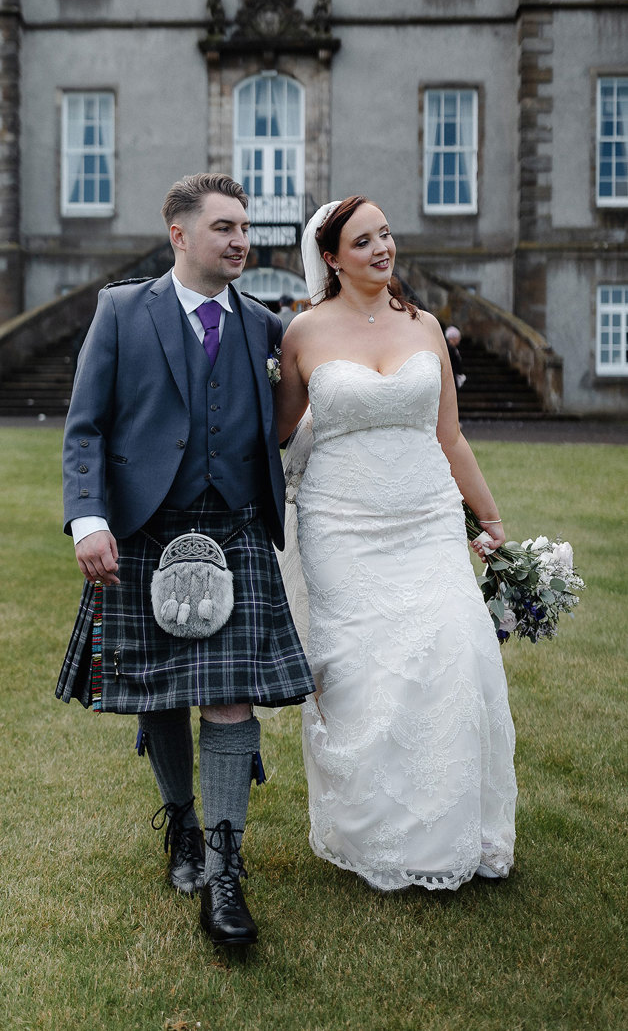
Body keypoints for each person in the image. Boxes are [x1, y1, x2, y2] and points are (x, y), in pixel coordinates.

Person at [56, 172, 314, 946]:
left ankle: (224, 868)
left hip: (233, 529)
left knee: (229, 696)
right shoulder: (122, 310)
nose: (241, 240)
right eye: (224, 228)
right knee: (161, 696)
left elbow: (290, 424)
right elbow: (86, 427)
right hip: (142, 529)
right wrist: (87, 519)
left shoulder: (269, 328)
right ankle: (183, 824)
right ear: (179, 235)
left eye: (244, 229)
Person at [275, 196, 517, 892]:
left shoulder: (426, 328)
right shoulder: (304, 334)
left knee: (452, 651)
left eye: (385, 235)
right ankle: (375, 832)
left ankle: (453, 836)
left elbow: (451, 436)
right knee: (363, 674)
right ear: (331, 258)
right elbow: (280, 434)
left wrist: (489, 517)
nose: (382, 249)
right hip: (341, 527)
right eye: (363, 241)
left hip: (425, 518)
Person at [445, 325, 466, 391]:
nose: (459, 339)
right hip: (451, 377)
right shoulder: (451, 349)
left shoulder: (450, 348)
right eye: (458, 337)